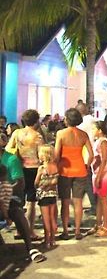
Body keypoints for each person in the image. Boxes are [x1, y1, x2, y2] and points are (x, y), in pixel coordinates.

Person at [55, 108, 94, 240]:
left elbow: (56, 155)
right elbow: (91, 154)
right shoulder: (83, 134)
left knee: (65, 202)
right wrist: (87, 166)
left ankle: (65, 231)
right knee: (78, 202)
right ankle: (77, 231)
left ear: (67, 119)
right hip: (80, 170)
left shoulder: (61, 134)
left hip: (64, 171)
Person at [0, 154, 46, 263]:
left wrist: (5, 189)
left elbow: (20, 183)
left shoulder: (11, 159)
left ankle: (30, 248)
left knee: (17, 211)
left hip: (4, 204)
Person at [6, 109, 43, 240]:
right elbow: (42, 155)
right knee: (31, 202)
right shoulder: (37, 136)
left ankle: (18, 230)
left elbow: (8, 150)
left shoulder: (17, 133)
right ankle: (30, 231)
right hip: (33, 169)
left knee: (19, 202)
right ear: (36, 121)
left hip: (18, 169)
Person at [89, 121, 107, 237]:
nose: (92, 131)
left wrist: (98, 177)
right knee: (98, 199)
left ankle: (106, 226)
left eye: (94, 129)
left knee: (103, 200)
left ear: (100, 130)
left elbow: (104, 160)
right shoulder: (97, 141)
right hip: (96, 172)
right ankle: (98, 224)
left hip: (102, 174)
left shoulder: (103, 142)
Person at [34, 145, 58, 249]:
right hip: (52, 194)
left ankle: (47, 241)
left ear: (43, 155)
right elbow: (55, 181)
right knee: (52, 217)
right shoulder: (55, 166)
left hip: (43, 195)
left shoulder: (42, 168)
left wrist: (40, 185)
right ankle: (53, 239)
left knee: (46, 219)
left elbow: (36, 182)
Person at [76, 102, 98, 215]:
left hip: (86, 155)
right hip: (95, 153)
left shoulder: (82, 124)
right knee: (88, 181)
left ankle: (95, 206)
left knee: (88, 181)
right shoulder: (93, 120)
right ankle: (93, 204)